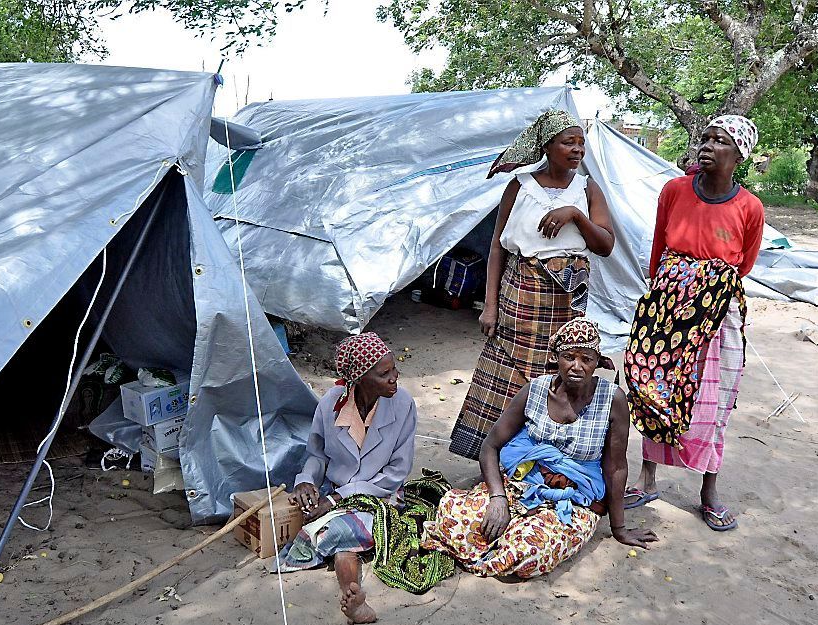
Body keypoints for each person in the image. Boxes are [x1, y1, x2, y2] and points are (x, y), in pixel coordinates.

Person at [424, 319, 656, 578]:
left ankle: (512, 537)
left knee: (528, 552)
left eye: (586, 359)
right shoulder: (534, 390)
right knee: (453, 520)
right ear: (556, 358)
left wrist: (619, 527)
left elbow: (616, 467)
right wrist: (498, 498)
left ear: (597, 361)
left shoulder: (612, 399)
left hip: (575, 497)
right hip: (523, 483)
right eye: (569, 357)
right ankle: (507, 528)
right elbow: (490, 446)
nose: (577, 366)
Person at [622, 115, 764, 532]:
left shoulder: (749, 207)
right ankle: (647, 477)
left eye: (719, 141)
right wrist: (662, 293)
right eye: (705, 138)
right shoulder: (675, 189)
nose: (706, 146)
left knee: (714, 398)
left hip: (718, 308)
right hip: (667, 300)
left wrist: (704, 285)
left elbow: (745, 263)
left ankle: (709, 491)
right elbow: (658, 244)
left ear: (738, 156)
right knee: (654, 385)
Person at [449, 109, 616, 461]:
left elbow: (605, 244)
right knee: (509, 373)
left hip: (566, 300)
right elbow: (497, 245)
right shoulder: (520, 186)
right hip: (521, 293)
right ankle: (494, 457)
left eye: (581, 143)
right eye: (567, 142)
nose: (577, 149)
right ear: (547, 145)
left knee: (557, 372)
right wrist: (490, 305)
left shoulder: (587, 189)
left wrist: (574, 214)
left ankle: (544, 457)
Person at [276, 332, 418, 624]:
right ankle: (353, 597)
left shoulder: (403, 404)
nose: (394, 378)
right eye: (384, 373)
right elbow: (317, 454)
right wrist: (307, 480)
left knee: (334, 530)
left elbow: (396, 473)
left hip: (382, 495)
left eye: (394, 370)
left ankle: (350, 591)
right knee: (343, 539)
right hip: (335, 492)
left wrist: (336, 498)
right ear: (359, 378)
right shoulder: (330, 404)